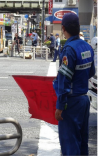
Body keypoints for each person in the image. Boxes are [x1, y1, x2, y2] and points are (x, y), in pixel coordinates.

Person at [53, 13, 95, 155]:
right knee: (82, 142)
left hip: (70, 104)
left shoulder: (69, 49)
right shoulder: (87, 47)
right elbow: (91, 72)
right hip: (84, 100)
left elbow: (64, 80)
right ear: (78, 28)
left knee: (70, 144)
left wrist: (60, 106)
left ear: (63, 28)